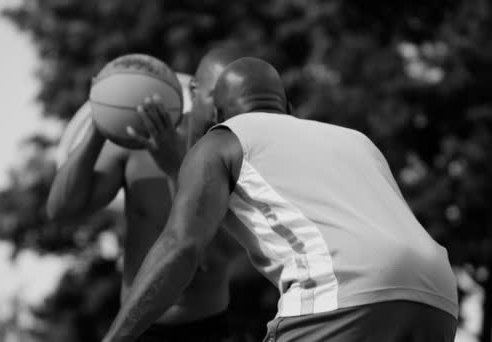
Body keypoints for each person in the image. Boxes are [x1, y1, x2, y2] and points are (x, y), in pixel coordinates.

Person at [103, 57, 458, 342]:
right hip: (438, 294)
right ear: (288, 108)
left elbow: (180, 248)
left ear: (218, 115)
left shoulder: (221, 141)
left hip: (343, 294)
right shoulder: (356, 140)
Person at [46, 49, 246, 341]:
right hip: (137, 329)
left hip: (207, 328)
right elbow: (61, 211)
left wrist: (176, 168)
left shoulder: (237, 153)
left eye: (234, 100)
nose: (223, 109)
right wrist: (99, 127)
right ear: (195, 90)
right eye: (216, 95)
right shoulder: (137, 139)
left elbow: (212, 255)